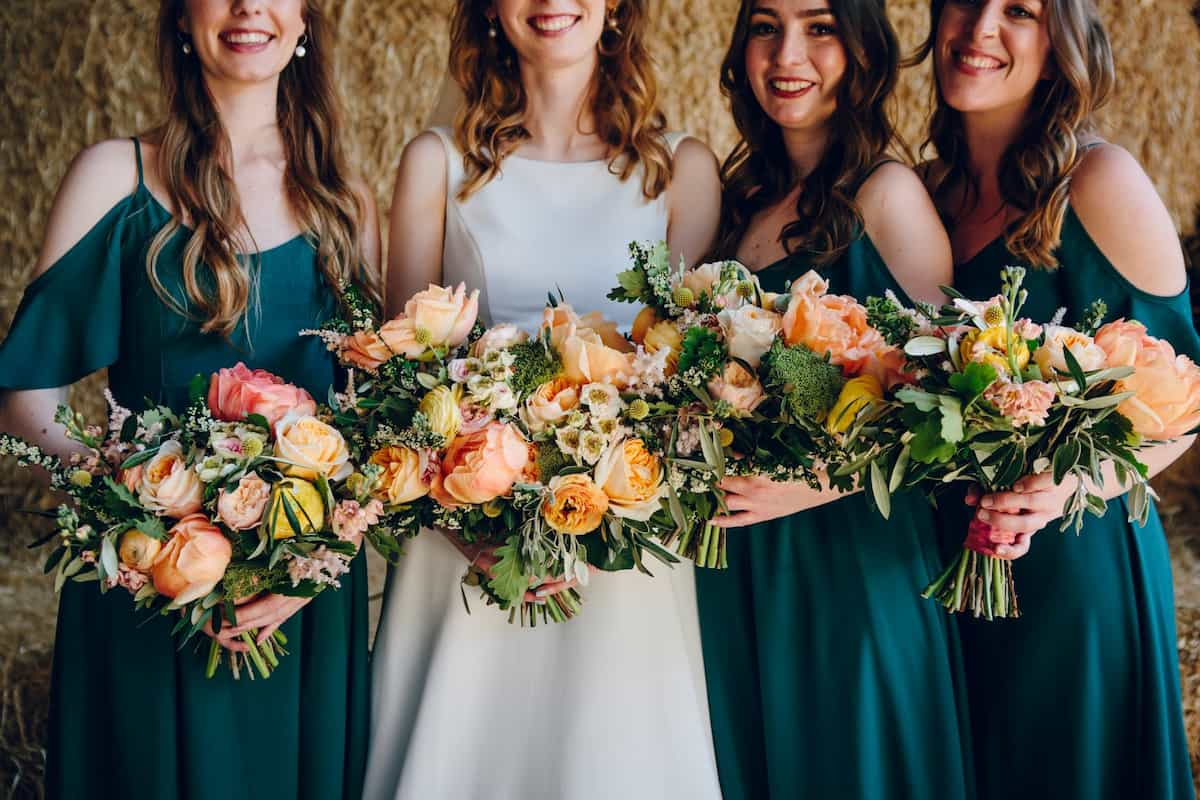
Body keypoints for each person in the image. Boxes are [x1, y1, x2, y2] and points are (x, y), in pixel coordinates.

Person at [0, 2, 378, 797]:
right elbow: (26, 401)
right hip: (148, 589)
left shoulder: (347, 201)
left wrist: (311, 564)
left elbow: (372, 424)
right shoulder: (115, 176)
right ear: (181, 21)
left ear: (304, 21)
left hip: (300, 599)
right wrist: (144, 510)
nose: (248, 7)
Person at [361, 2, 725, 799]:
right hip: (464, 533)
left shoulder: (681, 170)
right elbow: (402, 378)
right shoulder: (437, 161)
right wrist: (473, 519)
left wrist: (604, 488)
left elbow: (686, 381)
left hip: (626, 533)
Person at [915, 0, 1199, 797]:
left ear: (1061, 38)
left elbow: (1188, 398)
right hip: (954, 558)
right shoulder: (930, 193)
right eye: (965, 3)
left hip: (1075, 564)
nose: (979, 31)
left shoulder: (1099, 180)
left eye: (1020, 11)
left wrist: (1069, 487)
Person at [694, 1, 974, 797]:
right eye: (765, 26)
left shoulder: (888, 194)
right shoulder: (740, 197)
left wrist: (809, 485)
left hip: (852, 552)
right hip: (742, 559)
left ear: (862, 50)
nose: (788, 53)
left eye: (819, 27)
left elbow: (950, 404)